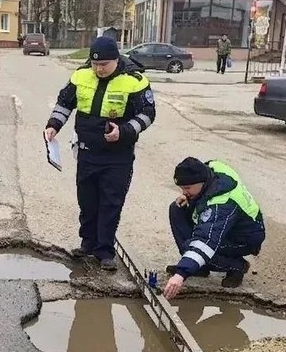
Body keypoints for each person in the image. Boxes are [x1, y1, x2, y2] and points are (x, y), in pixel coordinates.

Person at [44, 36, 156, 271]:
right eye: (95, 64)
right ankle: (87, 243)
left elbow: (147, 114)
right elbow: (64, 103)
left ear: (116, 59)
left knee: (110, 203)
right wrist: (54, 125)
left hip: (117, 157)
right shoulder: (81, 75)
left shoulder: (134, 81)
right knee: (87, 201)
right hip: (87, 152)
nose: (99, 69)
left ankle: (104, 251)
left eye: (104, 64)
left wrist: (124, 131)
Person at [161, 157, 266, 299]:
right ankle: (199, 267)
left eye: (187, 188)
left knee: (195, 246)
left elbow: (205, 241)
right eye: (182, 188)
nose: (184, 192)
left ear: (202, 181)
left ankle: (237, 266)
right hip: (228, 227)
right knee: (177, 208)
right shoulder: (212, 169)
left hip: (244, 239)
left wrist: (181, 274)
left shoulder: (221, 204)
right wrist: (190, 197)